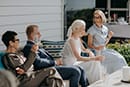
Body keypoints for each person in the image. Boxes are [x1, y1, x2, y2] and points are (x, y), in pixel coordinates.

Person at [22, 25, 89, 87]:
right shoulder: (29, 47)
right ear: (31, 35)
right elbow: (38, 63)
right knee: (75, 71)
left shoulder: (36, 45)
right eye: (37, 33)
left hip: (53, 67)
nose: (40, 35)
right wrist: (55, 62)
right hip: (47, 71)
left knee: (80, 68)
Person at [62, 19, 105, 84]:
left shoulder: (78, 39)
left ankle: (97, 83)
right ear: (76, 29)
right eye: (82, 29)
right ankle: (96, 83)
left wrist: (90, 52)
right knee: (94, 62)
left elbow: (84, 49)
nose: (84, 31)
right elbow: (79, 57)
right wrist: (94, 58)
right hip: (70, 65)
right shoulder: (71, 40)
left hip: (75, 63)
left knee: (95, 62)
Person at [87, 9, 127, 74]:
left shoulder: (105, 28)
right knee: (116, 59)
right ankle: (117, 75)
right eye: (94, 17)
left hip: (104, 50)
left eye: (97, 17)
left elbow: (104, 43)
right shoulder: (92, 30)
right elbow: (89, 45)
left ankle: (121, 75)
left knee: (120, 58)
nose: (95, 19)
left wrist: (109, 37)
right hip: (96, 52)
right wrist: (97, 48)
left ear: (101, 18)